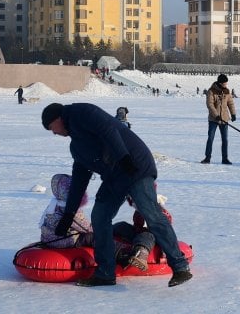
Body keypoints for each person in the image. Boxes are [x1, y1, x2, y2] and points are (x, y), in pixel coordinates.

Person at [41, 102, 192, 287]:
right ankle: (105, 273)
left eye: (51, 128)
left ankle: (180, 266)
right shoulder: (77, 147)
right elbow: (80, 178)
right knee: (100, 216)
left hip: (134, 166)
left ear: (57, 118)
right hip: (115, 177)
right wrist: (69, 214)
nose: (54, 133)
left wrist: (124, 158)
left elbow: (108, 128)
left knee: (151, 214)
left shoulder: (80, 112)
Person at [113, 191, 173, 272]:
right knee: (121, 225)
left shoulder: (160, 213)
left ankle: (141, 255)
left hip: (154, 238)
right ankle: (102, 234)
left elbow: (165, 230)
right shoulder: (140, 210)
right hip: (138, 232)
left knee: (146, 236)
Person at [40, 173, 93, 248]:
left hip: (47, 239)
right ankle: (112, 254)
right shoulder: (69, 208)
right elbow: (85, 228)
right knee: (93, 237)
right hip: (61, 241)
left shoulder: (54, 204)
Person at [202, 74, 236, 165]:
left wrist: (233, 114)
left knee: (225, 139)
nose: (226, 85)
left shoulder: (227, 91)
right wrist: (216, 115)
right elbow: (210, 104)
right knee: (210, 138)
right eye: (224, 83)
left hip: (224, 119)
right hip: (213, 119)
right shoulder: (211, 91)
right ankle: (207, 157)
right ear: (220, 83)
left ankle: (225, 158)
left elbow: (230, 103)